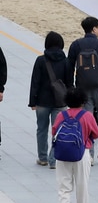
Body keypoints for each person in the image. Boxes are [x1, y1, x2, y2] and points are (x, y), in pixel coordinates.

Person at [67, 15, 98, 163]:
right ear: (94, 29)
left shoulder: (76, 45)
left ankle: (89, 152)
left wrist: (71, 86)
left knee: (87, 119)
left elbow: (69, 67)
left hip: (82, 87)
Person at [52, 89, 98, 203]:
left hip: (62, 154)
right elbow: (96, 133)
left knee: (63, 184)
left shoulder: (62, 115)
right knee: (82, 184)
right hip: (82, 153)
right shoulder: (87, 116)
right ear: (83, 102)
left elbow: (54, 131)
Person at [28, 31, 70, 167]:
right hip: (61, 101)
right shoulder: (66, 61)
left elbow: (35, 82)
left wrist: (32, 102)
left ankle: (43, 158)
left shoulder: (41, 60)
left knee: (41, 129)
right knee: (58, 130)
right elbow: (70, 82)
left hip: (42, 101)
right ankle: (53, 160)